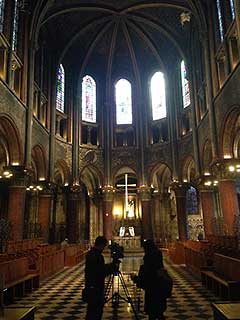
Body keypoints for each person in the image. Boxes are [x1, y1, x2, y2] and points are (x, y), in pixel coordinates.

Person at [132, 239, 167, 320]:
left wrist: (136, 279)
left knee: (152, 312)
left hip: (152, 287)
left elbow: (147, 274)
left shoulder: (149, 257)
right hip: (160, 285)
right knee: (159, 312)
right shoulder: (158, 254)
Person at [84, 236, 116, 320]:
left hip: (91, 286)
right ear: (101, 245)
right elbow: (100, 272)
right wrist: (110, 268)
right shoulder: (97, 255)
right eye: (104, 245)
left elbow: (98, 269)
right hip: (96, 288)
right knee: (95, 312)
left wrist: (108, 267)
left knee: (91, 311)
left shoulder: (91, 253)